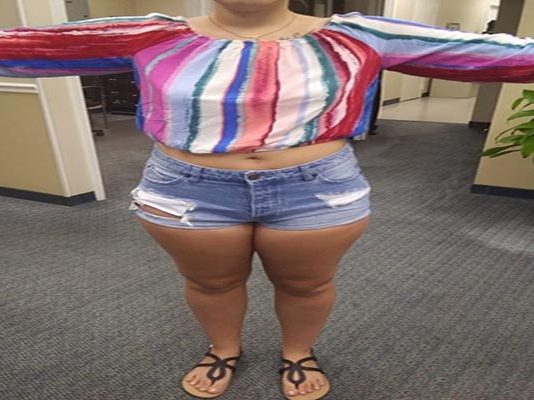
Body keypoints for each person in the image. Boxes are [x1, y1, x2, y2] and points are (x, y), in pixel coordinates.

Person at [2, 1, 534, 399]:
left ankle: (297, 353)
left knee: (308, 284)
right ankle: (223, 349)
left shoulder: (358, 34)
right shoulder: (152, 34)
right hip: (187, 188)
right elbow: (19, 45)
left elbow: (509, 56)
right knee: (210, 282)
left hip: (316, 187)